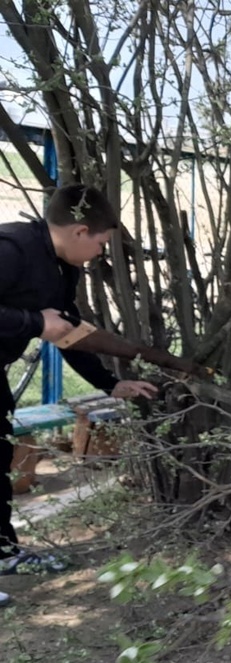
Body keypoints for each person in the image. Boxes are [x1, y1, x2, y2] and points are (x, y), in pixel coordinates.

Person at [0, 184, 158, 594]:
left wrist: (111, 383)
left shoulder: (61, 266)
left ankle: (4, 552)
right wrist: (34, 323)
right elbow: (44, 324)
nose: (101, 253)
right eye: (102, 243)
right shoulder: (11, 249)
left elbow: (69, 335)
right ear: (81, 231)